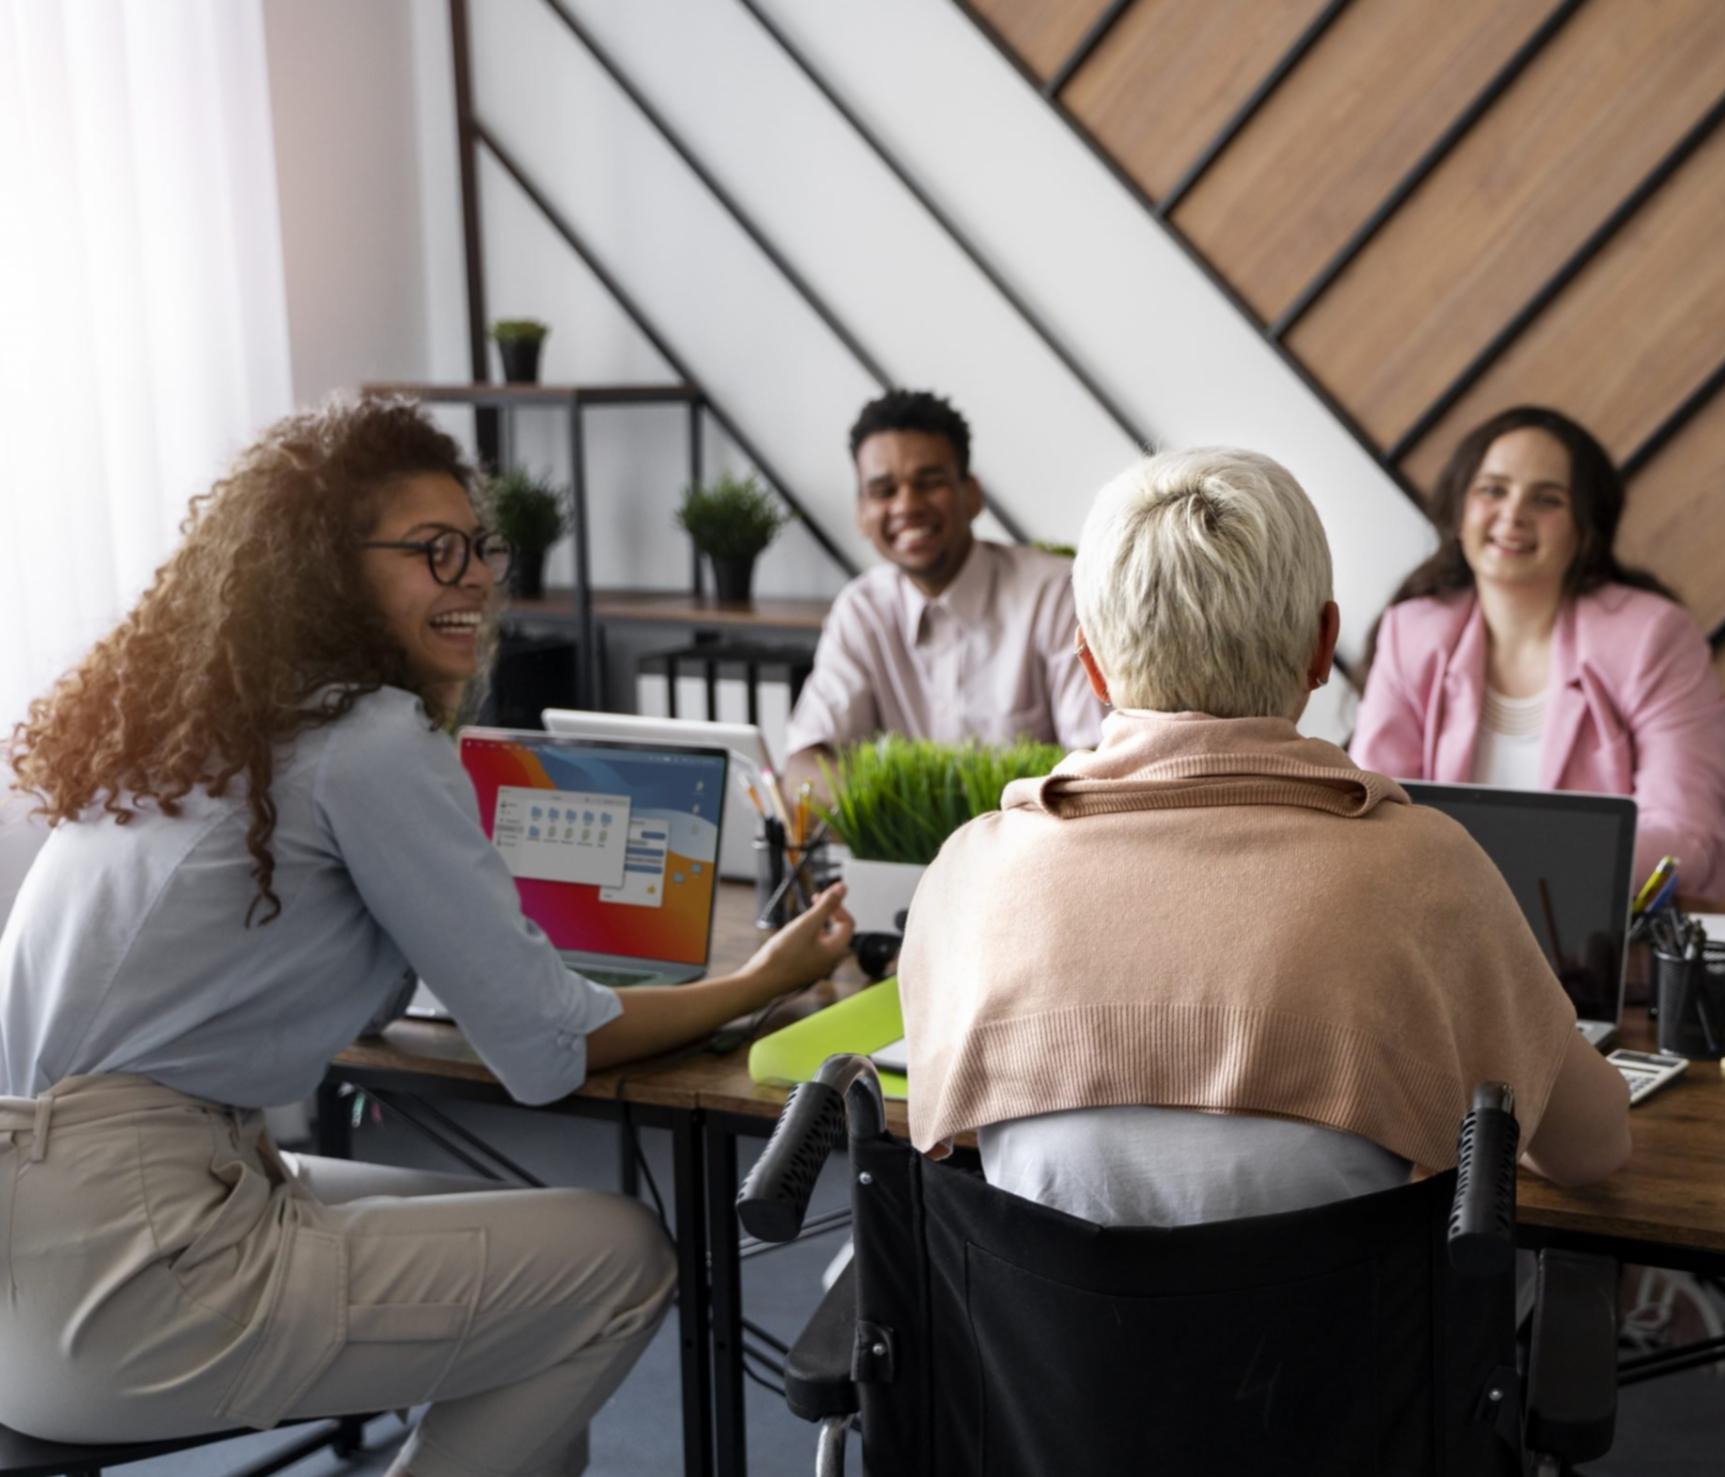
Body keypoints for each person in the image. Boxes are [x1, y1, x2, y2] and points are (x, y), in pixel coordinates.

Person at [0, 398, 855, 1475]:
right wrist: (758, 979)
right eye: (430, 550)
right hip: (136, 1267)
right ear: (325, 569)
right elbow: (545, 1052)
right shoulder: (364, 738)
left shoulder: (203, 729)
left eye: (478, 548)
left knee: (521, 1243)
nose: (474, 577)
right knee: (622, 1257)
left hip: (38, 1269)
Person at [895, 447, 1632, 1227]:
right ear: (1323, 646)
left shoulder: (969, 875)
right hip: (1352, 1348)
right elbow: (1594, 1149)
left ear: (1094, 669)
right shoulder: (1430, 870)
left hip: (1028, 1348)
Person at [1350, 406, 1725, 903]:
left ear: (1586, 528)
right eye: (1492, 490)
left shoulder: (1651, 636)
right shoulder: (1412, 630)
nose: (1513, 515)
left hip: (1619, 941)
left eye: (1547, 500)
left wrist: (1534, 877)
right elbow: (1372, 810)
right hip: (1446, 929)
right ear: (1458, 509)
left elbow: (1688, 833)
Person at [782, 389, 1105, 801]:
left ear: (971, 495)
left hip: (1029, 859)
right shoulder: (862, 610)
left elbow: (1095, 766)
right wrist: (902, 823)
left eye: (929, 483)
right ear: (862, 512)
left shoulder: (1056, 595)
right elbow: (804, 765)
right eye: (884, 491)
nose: (907, 505)